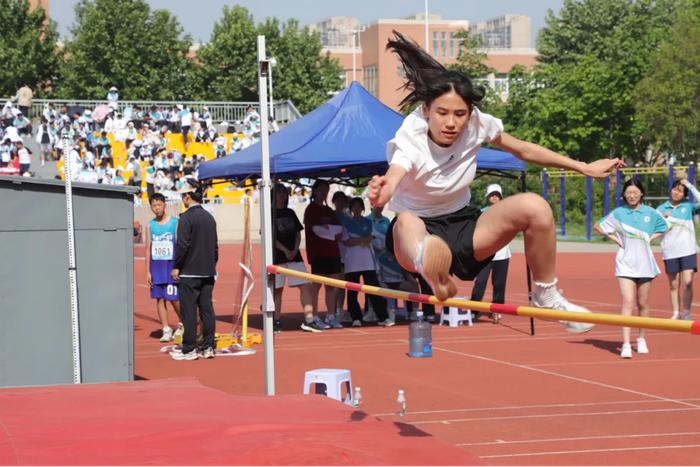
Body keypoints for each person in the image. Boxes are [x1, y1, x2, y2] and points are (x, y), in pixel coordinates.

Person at [367, 32, 623, 333]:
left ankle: (545, 294)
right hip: (415, 234)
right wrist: (383, 192)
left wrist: (583, 167)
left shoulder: (477, 123)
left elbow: (524, 149)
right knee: (408, 220)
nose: (452, 123)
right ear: (426, 111)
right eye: (443, 113)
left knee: (535, 207)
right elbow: (396, 173)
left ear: (469, 113)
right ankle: (431, 266)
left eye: (460, 114)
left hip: (464, 226)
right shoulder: (410, 137)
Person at [595, 179, 667, 358]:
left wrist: (650, 239)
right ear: (624, 195)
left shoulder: (650, 212)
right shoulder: (619, 213)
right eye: (628, 193)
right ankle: (626, 344)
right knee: (627, 302)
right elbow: (598, 226)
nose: (632, 196)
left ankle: (641, 339)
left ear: (641, 193)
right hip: (625, 263)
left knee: (642, 303)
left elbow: (665, 227)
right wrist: (615, 239)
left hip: (645, 264)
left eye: (635, 192)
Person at [170, 179, 218, 361]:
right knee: (207, 310)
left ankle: (189, 348)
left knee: (189, 311)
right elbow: (215, 247)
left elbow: (182, 245)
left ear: (187, 196)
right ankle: (208, 347)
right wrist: (212, 265)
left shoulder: (186, 218)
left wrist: (177, 266)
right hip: (207, 271)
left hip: (190, 272)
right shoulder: (209, 217)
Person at [271, 184, 320, 332]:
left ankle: (309, 319)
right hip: (277, 257)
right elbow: (270, 236)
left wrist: (294, 249)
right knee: (277, 290)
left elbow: (298, 233)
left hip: (295, 256)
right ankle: (275, 320)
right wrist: (285, 250)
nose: (282, 196)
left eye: (284, 193)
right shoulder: (270, 213)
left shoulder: (291, 212)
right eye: (279, 193)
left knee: (305, 285)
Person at [341, 197, 391, 327]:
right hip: (352, 261)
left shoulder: (368, 222)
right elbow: (347, 241)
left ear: (363, 208)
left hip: (367, 261)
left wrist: (360, 240)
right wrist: (362, 240)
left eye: (359, 206)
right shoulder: (346, 223)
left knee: (373, 289)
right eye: (354, 206)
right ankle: (356, 317)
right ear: (350, 208)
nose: (356, 209)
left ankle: (382, 317)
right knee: (352, 291)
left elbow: (370, 238)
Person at [303, 179, 344, 330]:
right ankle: (314, 316)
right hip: (318, 253)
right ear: (315, 191)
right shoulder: (311, 209)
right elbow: (316, 230)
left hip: (333, 252)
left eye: (326, 190)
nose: (324, 193)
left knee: (332, 286)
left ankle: (331, 315)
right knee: (316, 285)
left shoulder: (329, 211)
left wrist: (329, 230)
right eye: (321, 189)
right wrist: (329, 231)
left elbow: (338, 229)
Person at [657, 179, 700, 320]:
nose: (676, 193)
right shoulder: (660, 209)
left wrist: (689, 185)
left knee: (687, 282)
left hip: (688, 251)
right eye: (675, 189)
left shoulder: (688, 207)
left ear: (684, 195)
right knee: (674, 285)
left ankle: (686, 313)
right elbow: (655, 229)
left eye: (680, 191)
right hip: (670, 252)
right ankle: (676, 313)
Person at [470, 184, 511, 324]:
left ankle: (497, 310)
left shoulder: (508, 212)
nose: (495, 197)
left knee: (499, 284)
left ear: (501, 197)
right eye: (492, 195)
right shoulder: (481, 213)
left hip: (502, 254)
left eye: (497, 195)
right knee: (480, 282)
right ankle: (474, 309)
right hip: (485, 254)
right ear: (487, 197)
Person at [145, 193, 181, 342]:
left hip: (171, 266)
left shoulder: (174, 223)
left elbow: (179, 245)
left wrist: (179, 266)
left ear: (164, 205)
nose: (157, 208)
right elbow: (148, 249)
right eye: (154, 205)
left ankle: (183, 323)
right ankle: (166, 329)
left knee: (174, 298)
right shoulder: (150, 225)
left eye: (159, 205)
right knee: (159, 298)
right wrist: (147, 271)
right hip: (157, 267)